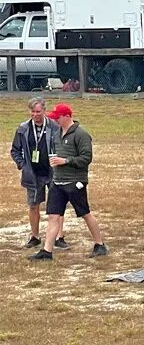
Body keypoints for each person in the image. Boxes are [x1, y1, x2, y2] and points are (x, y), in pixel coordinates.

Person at [29, 103, 107, 260]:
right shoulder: (57, 133)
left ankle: (99, 244)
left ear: (67, 116)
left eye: (58, 117)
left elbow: (86, 158)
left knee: (85, 213)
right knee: (53, 216)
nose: (55, 120)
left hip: (75, 182)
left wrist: (65, 161)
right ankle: (47, 251)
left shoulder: (81, 134)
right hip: (57, 182)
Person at [10, 97, 67, 249]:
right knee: (33, 205)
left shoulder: (54, 126)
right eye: (33, 112)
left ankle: (59, 237)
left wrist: (60, 161)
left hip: (53, 172)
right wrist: (22, 165)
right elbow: (15, 150)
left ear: (44, 111)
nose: (36, 115)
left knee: (57, 206)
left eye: (38, 111)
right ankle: (35, 236)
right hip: (33, 174)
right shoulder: (22, 129)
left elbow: (63, 146)